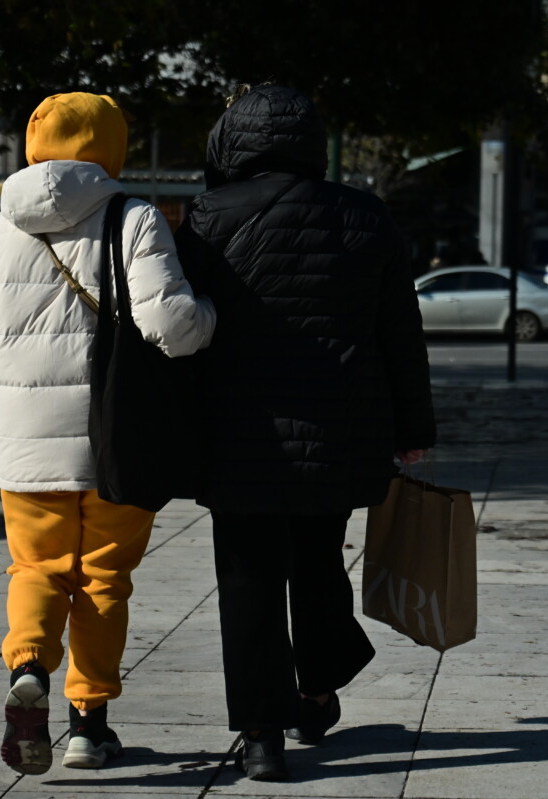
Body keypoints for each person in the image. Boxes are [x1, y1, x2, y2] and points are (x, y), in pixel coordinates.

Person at [174, 84, 436, 782]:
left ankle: (261, 734)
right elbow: (399, 337)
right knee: (320, 561)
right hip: (337, 430)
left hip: (238, 434)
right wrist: (414, 427)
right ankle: (317, 688)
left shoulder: (205, 217)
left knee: (247, 576)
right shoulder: (365, 215)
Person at [0, 92, 216, 775]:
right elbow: (170, 325)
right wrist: (212, 315)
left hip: (24, 442)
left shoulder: (0, 229)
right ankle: (89, 724)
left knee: (37, 569)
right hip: (120, 438)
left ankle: (29, 667)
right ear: (112, 146)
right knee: (103, 578)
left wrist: (11, 420)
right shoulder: (133, 216)